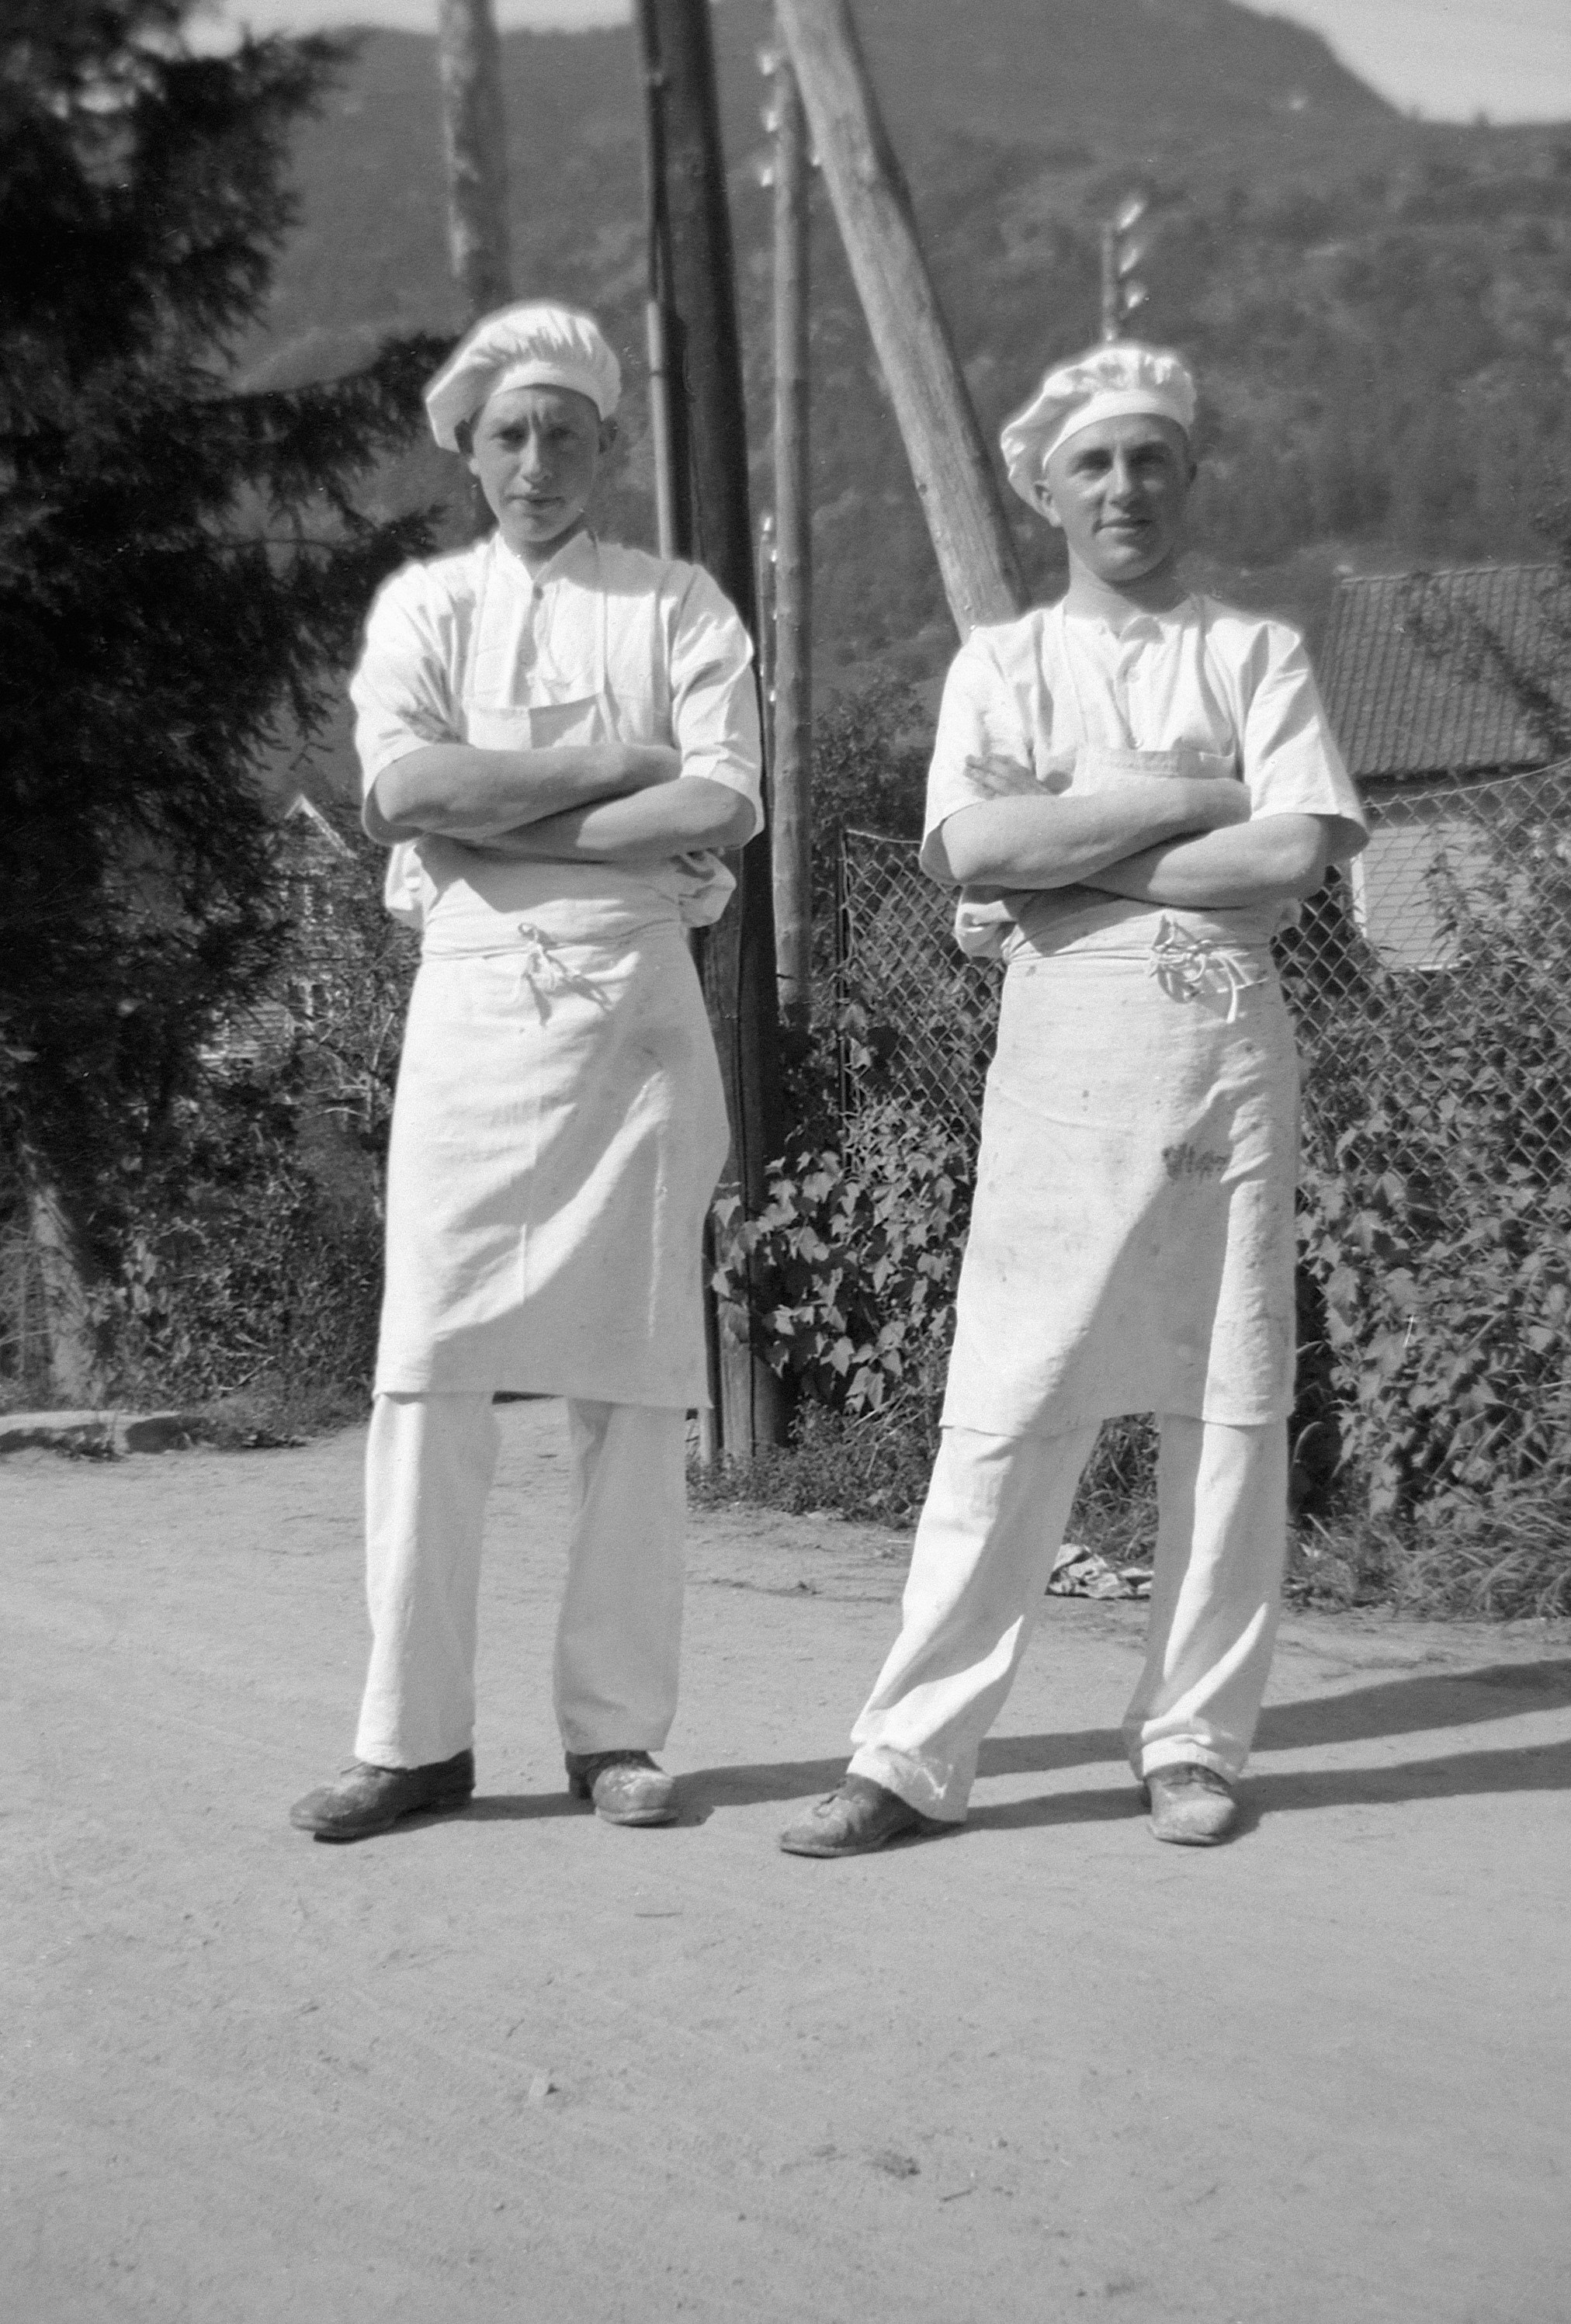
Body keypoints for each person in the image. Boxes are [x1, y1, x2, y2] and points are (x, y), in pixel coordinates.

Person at [779, 339, 1367, 1858]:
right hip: (1058, 1076)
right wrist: (1192, 799)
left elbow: (1289, 858)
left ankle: (1190, 1742)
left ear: (1187, 474)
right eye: (1093, 462)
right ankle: (909, 1755)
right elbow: (972, 851)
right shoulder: (1004, 666)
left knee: (1227, 1404)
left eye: (1150, 457)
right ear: (1049, 487)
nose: (1123, 486)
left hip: (1222, 1065)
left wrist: (1070, 853)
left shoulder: (1256, 657)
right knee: (1005, 1406)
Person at [290, 302, 761, 1842]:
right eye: (510, 433)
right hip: (475, 1017)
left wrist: (497, 821)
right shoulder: (423, 614)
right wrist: (622, 771)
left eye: (566, 431)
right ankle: (412, 1740)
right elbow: (401, 790)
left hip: (633, 1015)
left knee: (630, 1391)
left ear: (609, 447)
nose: (538, 458)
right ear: (469, 455)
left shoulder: (681, 607)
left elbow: (729, 801)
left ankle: (614, 1735)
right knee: (428, 1376)